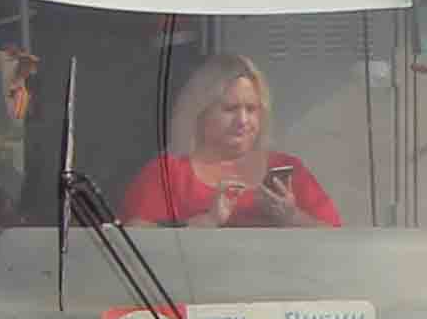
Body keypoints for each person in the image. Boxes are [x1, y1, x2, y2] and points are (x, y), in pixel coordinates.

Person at [123, 55, 340, 228]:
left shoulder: (288, 170)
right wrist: (206, 221)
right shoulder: (167, 173)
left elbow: (336, 240)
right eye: (230, 109)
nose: (243, 120)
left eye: (251, 109)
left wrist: (293, 217)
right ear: (202, 112)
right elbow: (135, 240)